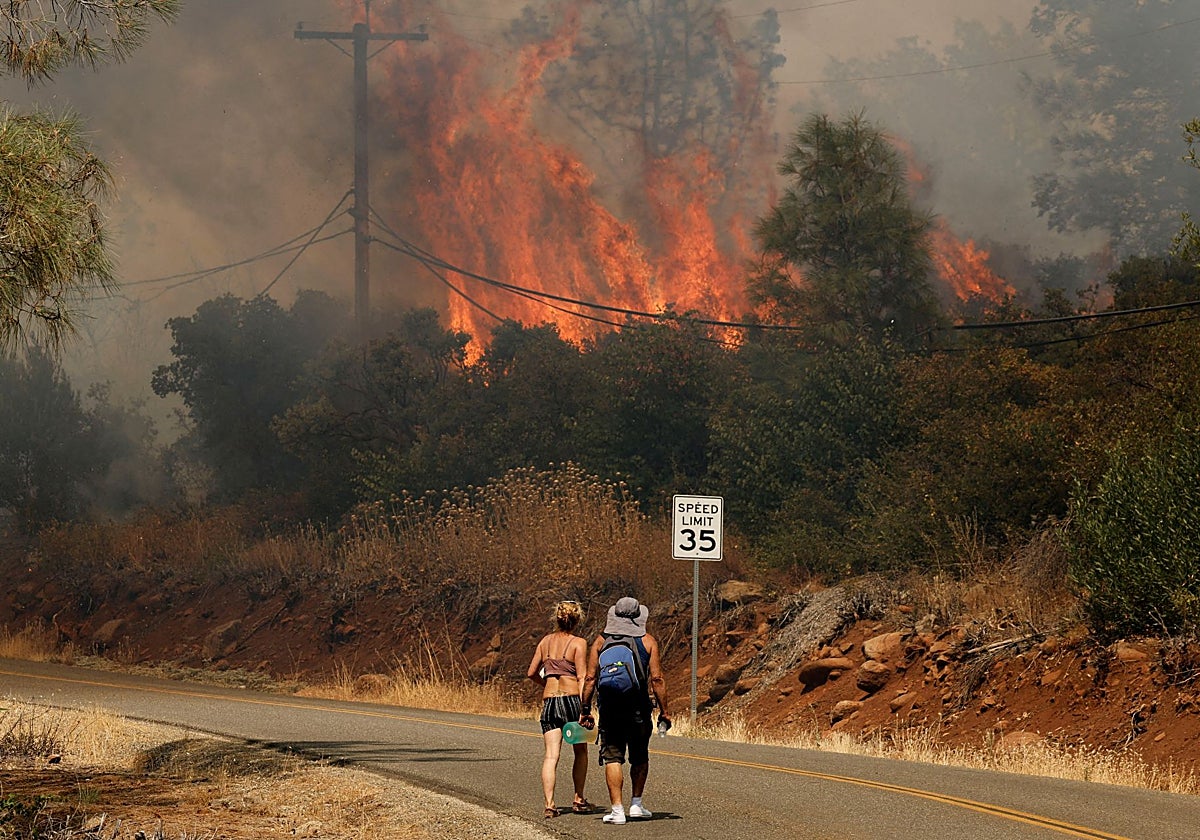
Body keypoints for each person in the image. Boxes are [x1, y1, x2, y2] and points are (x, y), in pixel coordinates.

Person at [580, 595, 670, 825]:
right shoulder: (648, 641)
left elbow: (590, 678)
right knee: (640, 755)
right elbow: (657, 679)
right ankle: (637, 804)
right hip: (639, 708)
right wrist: (665, 711)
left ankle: (617, 810)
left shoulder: (601, 641)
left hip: (610, 709)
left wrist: (585, 708)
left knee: (613, 757)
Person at [527, 600, 593, 818]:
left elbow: (531, 672)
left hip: (550, 702)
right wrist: (585, 708)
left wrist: (546, 684)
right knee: (580, 750)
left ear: (556, 618)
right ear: (577, 620)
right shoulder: (578, 643)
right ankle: (578, 798)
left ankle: (549, 804)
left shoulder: (545, 642)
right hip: (572, 700)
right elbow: (582, 676)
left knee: (551, 755)